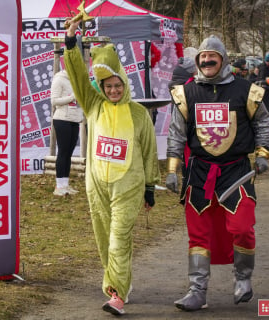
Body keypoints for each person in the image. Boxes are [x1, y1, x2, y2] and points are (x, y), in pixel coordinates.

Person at [167, 35, 269, 311]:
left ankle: (243, 279)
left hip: (236, 172)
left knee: (242, 227)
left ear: (223, 59)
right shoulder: (186, 93)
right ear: (197, 61)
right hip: (199, 173)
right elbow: (176, 134)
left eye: (212, 56)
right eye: (202, 57)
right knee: (198, 235)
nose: (207, 61)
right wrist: (173, 169)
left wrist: (262, 153)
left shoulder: (245, 90)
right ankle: (197, 290)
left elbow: (262, 122)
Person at [63, 19, 161, 315]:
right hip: (98, 189)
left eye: (118, 85)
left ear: (125, 85)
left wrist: (148, 188)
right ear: (102, 88)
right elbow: (79, 76)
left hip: (127, 189)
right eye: (109, 86)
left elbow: (148, 151)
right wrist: (71, 40)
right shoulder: (94, 106)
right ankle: (119, 282)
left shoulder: (139, 114)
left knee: (119, 238)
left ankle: (115, 294)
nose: (114, 90)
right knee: (105, 240)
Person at [50, 69, 85, 196]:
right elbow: (54, 101)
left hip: (75, 119)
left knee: (69, 153)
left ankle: (65, 184)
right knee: (63, 152)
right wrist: (72, 97)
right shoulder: (59, 78)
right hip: (62, 119)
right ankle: (59, 186)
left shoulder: (78, 80)